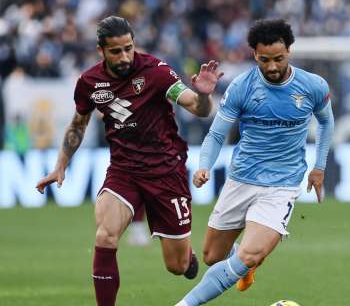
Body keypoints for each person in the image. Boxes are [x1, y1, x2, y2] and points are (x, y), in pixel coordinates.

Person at [35, 16, 224, 306]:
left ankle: (187, 257)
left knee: (177, 267)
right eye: (116, 51)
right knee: (106, 236)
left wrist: (201, 95)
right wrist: (60, 165)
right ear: (101, 51)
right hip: (123, 170)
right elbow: (77, 125)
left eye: (128, 48)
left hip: (165, 170)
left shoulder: (156, 71)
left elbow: (195, 107)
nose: (124, 56)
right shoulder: (89, 82)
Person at [175, 18, 334, 306]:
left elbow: (326, 122)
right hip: (241, 178)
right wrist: (204, 166)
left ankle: (185, 304)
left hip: (281, 185)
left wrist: (319, 167)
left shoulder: (313, 86)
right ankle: (243, 264)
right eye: (264, 60)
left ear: (290, 51)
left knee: (251, 255)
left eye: (278, 58)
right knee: (212, 256)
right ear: (254, 55)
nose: (272, 66)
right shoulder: (242, 87)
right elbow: (216, 133)